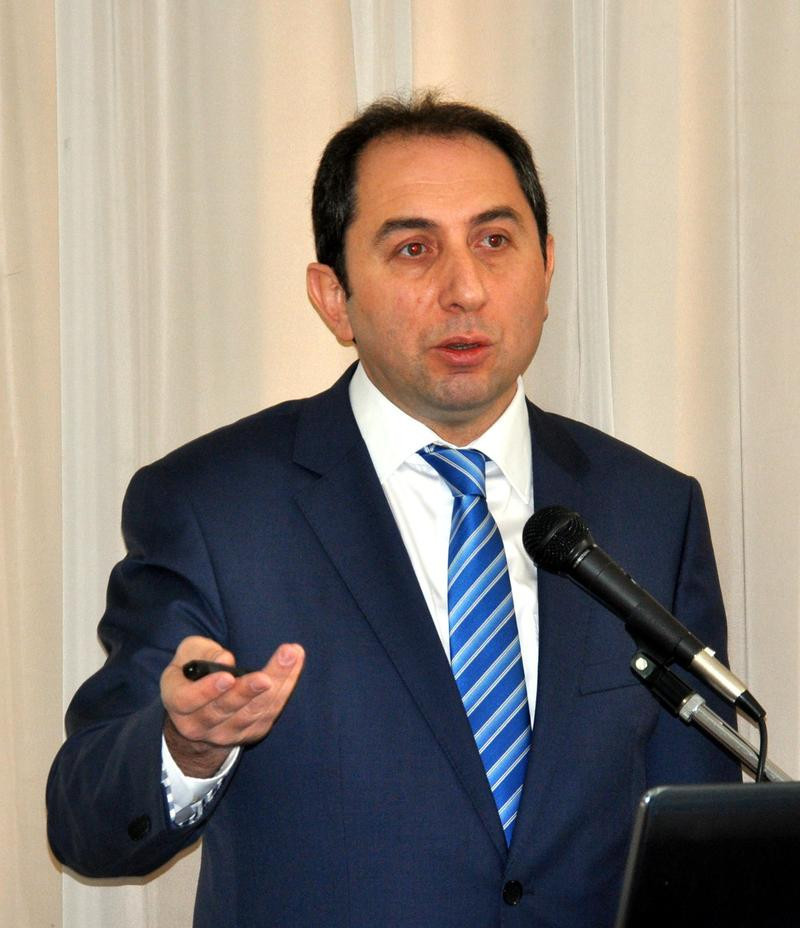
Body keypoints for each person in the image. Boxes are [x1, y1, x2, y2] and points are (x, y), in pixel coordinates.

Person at [47, 93, 738, 928]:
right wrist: (184, 747)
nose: (466, 289)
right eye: (414, 249)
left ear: (547, 267)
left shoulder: (651, 509)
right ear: (332, 297)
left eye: (495, 240)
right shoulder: (215, 507)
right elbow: (86, 825)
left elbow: (699, 845)